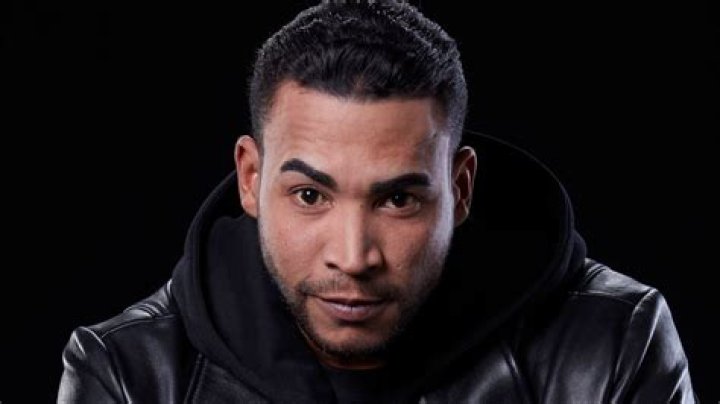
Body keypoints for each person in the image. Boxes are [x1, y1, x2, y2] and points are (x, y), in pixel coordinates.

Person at [57, 1, 696, 402]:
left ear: (460, 188)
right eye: (310, 195)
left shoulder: (612, 346)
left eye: (397, 200)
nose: (354, 256)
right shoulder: (130, 375)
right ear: (251, 179)